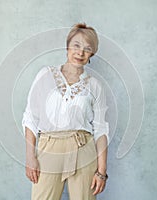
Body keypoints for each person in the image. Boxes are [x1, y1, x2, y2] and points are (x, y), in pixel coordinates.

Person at [22, 23, 109, 200]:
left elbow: (101, 130)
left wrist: (101, 171)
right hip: (49, 147)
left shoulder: (95, 86)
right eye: (76, 45)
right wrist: (30, 156)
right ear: (67, 46)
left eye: (87, 48)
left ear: (92, 53)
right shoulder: (45, 75)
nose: (80, 52)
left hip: (83, 148)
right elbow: (30, 117)